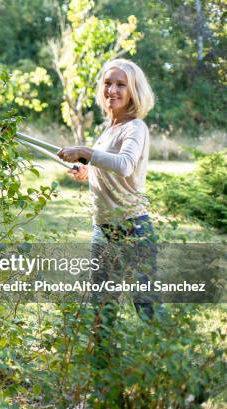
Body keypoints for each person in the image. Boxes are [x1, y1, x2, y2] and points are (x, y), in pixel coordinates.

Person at [57, 59, 159, 361]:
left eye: (121, 84)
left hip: (133, 229)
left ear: (133, 91)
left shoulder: (135, 127)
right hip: (103, 230)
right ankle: (103, 384)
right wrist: (87, 172)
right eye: (108, 83)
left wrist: (87, 152)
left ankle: (183, 382)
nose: (112, 89)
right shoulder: (109, 129)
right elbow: (110, 170)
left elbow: (126, 165)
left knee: (147, 306)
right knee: (101, 309)